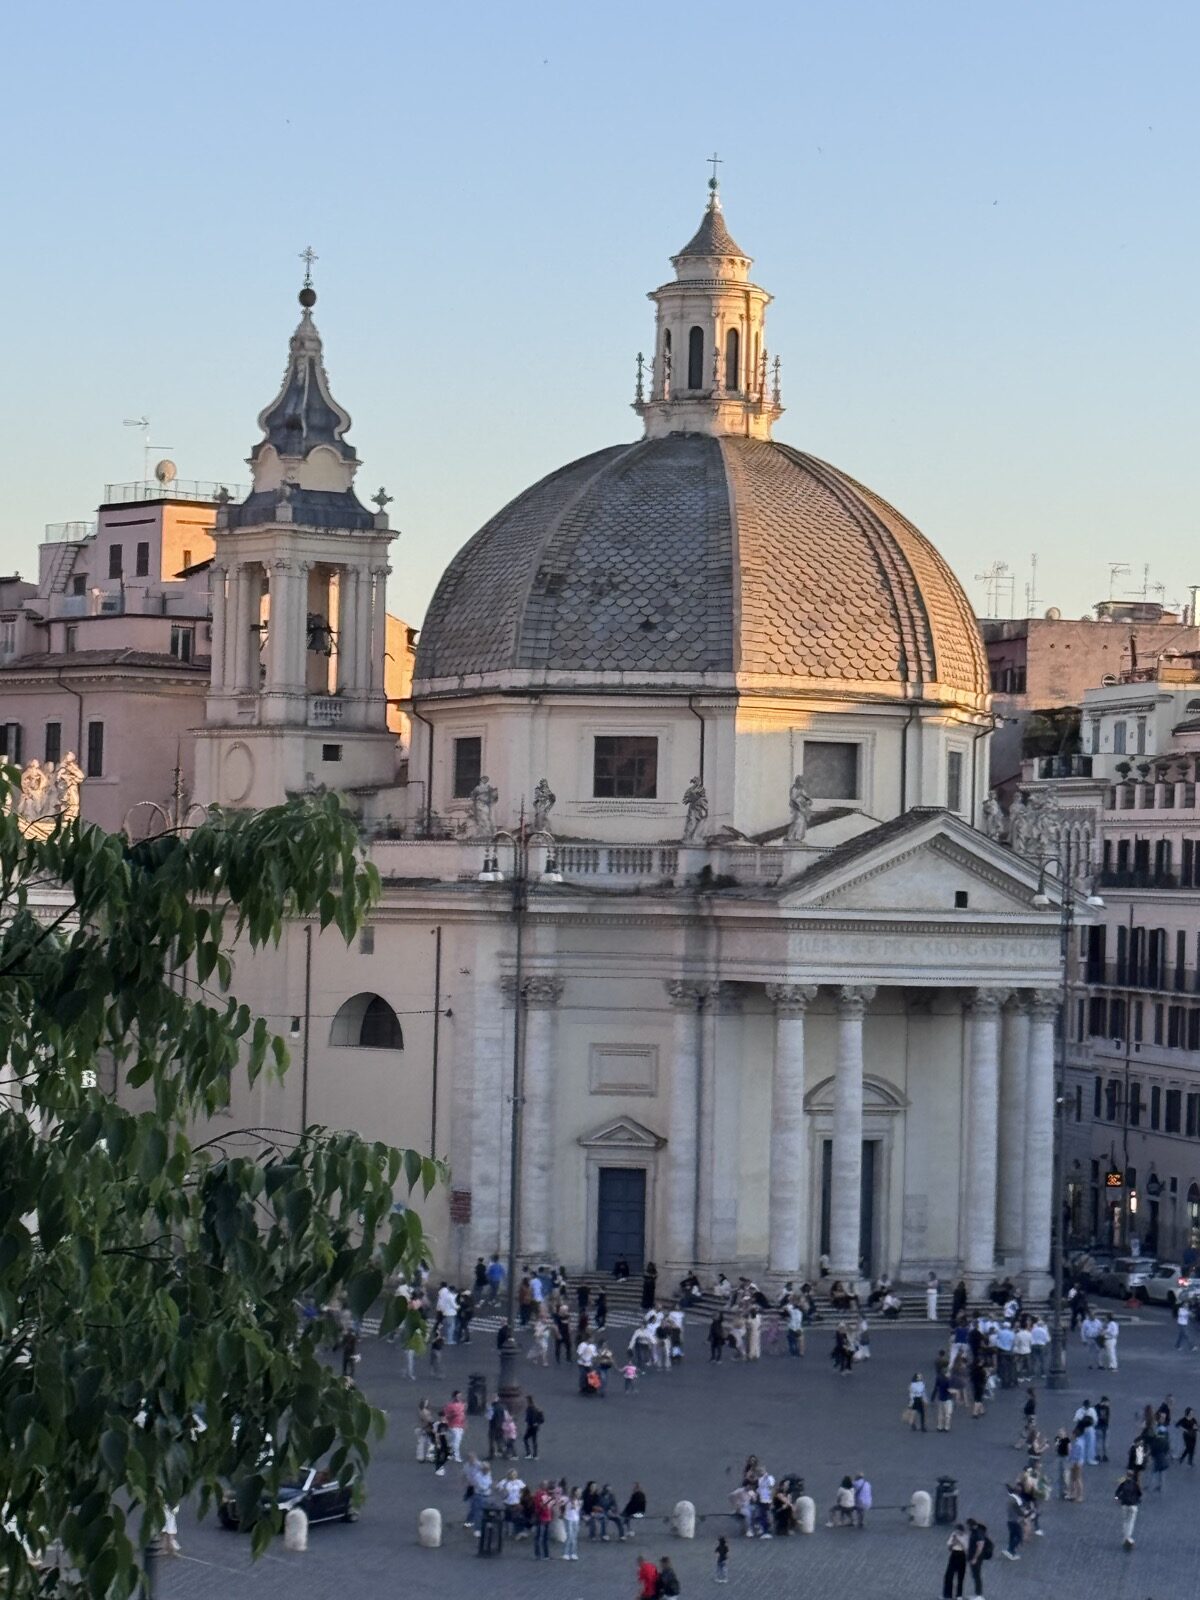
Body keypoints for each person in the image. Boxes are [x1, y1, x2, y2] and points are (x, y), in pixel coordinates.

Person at [1115, 1469, 1142, 1551]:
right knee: (1131, 1522)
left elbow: (1117, 1491)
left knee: (1125, 1521)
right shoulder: (1135, 1484)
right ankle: (1128, 1537)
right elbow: (1139, 1494)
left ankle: (1125, 1538)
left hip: (1124, 1504)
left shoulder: (1123, 1481)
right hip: (1133, 1505)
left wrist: (1117, 1498)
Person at [966, 1519, 992, 1596]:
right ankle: (977, 1593)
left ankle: (979, 1594)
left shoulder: (978, 1533)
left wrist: (975, 1558)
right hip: (975, 1557)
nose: (967, 1528)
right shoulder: (977, 1532)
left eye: (968, 1526)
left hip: (977, 1558)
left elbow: (980, 1547)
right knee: (975, 1575)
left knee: (976, 1575)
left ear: (971, 1525)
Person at [942, 1523, 968, 1598]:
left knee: (960, 1576)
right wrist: (953, 1543)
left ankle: (959, 1595)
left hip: (962, 1555)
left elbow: (966, 1549)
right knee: (949, 1575)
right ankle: (947, 1594)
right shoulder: (953, 1535)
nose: (957, 1533)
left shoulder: (966, 1537)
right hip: (954, 1554)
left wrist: (959, 1542)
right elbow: (949, 1548)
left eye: (958, 1531)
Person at [532, 1481, 554, 1560]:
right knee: (539, 1537)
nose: (546, 1486)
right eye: (544, 1484)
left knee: (545, 1537)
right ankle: (538, 1555)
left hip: (547, 1517)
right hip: (541, 1518)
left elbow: (550, 1506)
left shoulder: (546, 1494)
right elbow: (541, 1506)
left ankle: (546, 1555)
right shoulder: (539, 1494)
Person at [442, 1390, 466, 1462]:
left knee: (453, 1441)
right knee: (456, 1442)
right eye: (458, 1396)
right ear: (454, 1397)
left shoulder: (462, 1404)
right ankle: (456, 1456)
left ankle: (448, 1453)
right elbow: (445, 1415)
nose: (459, 1397)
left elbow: (463, 1414)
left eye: (460, 1396)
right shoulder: (450, 1406)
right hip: (453, 1425)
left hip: (460, 1426)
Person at [561, 1486, 581, 1560]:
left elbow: (578, 1510)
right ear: (575, 1492)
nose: (579, 1493)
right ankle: (566, 1553)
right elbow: (562, 1504)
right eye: (578, 1491)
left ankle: (573, 1553)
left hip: (576, 1520)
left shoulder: (579, 1500)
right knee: (570, 1536)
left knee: (574, 1537)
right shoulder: (568, 1499)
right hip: (568, 1519)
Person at [523, 1394, 543, 1459]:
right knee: (534, 1440)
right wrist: (537, 1423)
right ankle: (535, 1454)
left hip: (530, 1427)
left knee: (525, 1438)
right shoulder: (537, 1408)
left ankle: (528, 1453)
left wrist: (527, 1421)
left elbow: (528, 1418)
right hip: (536, 1427)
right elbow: (541, 1419)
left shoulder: (529, 1409)